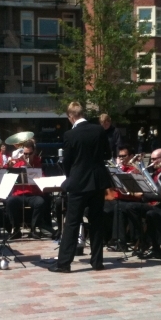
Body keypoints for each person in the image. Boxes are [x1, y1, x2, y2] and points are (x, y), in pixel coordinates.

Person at [53, 102, 112, 273]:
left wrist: (71, 176)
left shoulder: (70, 134)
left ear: (71, 116)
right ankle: (97, 262)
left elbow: (67, 161)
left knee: (72, 223)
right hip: (97, 181)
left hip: (79, 182)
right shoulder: (98, 130)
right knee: (97, 222)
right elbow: (108, 154)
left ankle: (64, 263)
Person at [6, 143, 54, 240]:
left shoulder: (38, 163)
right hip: (19, 194)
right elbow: (9, 178)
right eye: (25, 154)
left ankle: (33, 229)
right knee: (10, 202)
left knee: (40, 202)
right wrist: (10, 166)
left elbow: (43, 179)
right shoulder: (18, 164)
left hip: (33, 194)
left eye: (29, 153)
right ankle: (16, 229)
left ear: (34, 152)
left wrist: (30, 167)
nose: (27, 156)